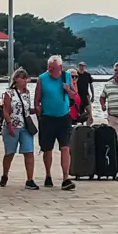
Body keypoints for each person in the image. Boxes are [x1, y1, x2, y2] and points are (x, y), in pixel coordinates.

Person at [36, 55, 79, 190]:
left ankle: (66, 178)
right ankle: (48, 175)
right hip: (48, 118)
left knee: (65, 147)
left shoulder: (66, 76)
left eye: (53, 68)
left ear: (60, 68)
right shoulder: (42, 78)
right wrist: (38, 113)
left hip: (64, 117)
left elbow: (74, 95)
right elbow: (37, 100)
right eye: (49, 67)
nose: (50, 70)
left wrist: (67, 89)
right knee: (47, 148)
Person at [0, 67, 38, 189]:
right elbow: (5, 111)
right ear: (16, 79)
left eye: (26, 78)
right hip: (13, 125)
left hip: (25, 126)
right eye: (23, 78)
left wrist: (36, 110)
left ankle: (30, 179)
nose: (25, 80)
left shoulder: (27, 93)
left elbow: (26, 110)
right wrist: (9, 124)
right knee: (10, 153)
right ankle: (5, 174)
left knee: (29, 152)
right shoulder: (9, 93)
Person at [100, 62, 118, 135]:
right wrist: (103, 105)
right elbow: (102, 96)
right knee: (117, 138)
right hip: (113, 117)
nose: (117, 72)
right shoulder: (108, 84)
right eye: (115, 70)